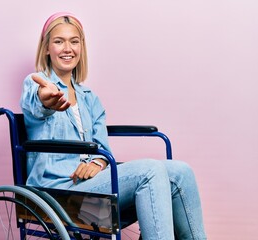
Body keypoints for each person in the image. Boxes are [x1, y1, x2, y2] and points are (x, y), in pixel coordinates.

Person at [20, 12, 207, 240]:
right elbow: (38, 102)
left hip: (91, 184)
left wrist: (98, 162)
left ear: (81, 47)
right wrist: (46, 100)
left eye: (74, 41)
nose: (67, 48)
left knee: (181, 172)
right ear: (47, 48)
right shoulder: (36, 83)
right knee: (150, 170)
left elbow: (101, 147)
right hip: (58, 193)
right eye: (59, 41)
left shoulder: (89, 98)